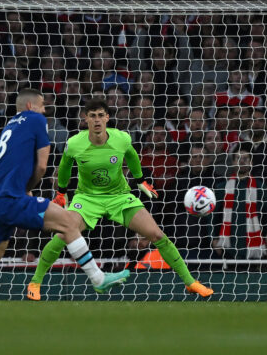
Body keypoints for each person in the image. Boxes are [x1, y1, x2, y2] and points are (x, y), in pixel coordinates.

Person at [0, 89, 124, 303]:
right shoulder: (36, 119)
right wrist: (29, 187)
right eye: (42, 107)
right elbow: (42, 166)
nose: (45, 111)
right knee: (69, 222)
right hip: (11, 197)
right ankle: (97, 278)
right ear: (30, 107)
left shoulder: (9, 125)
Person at [26, 98, 213, 301]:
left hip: (119, 197)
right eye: (92, 116)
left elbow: (132, 156)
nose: (97, 120)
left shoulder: (121, 138)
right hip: (87, 199)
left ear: (107, 118)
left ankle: (190, 282)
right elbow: (64, 167)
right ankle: (35, 283)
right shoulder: (74, 143)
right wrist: (62, 193)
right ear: (85, 119)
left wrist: (140, 180)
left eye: (100, 116)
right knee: (63, 235)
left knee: (157, 235)